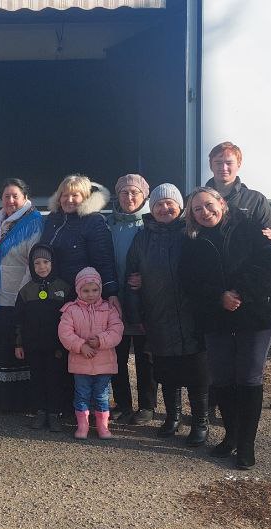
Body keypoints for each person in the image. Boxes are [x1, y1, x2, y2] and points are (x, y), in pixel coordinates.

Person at [179, 187, 271, 469]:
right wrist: (218, 297)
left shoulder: (251, 229)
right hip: (216, 317)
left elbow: (269, 269)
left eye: (209, 205)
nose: (204, 212)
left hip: (255, 316)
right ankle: (231, 436)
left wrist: (240, 294)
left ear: (222, 203)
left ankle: (246, 445)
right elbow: (189, 281)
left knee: (248, 378)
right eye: (197, 209)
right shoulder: (192, 241)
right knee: (222, 378)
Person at [125, 184, 210, 445]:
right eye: (158, 204)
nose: (164, 208)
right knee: (167, 370)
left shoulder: (192, 232)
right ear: (151, 208)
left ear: (180, 206)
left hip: (190, 314)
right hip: (157, 312)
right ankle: (172, 417)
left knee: (196, 372)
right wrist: (136, 307)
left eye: (169, 203)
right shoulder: (141, 238)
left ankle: (200, 421)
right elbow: (131, 275)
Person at [0, 178, 43, 411]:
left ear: (25, 197)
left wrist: (23, 296)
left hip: (16, 295)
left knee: (14, 347)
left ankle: (16, 400)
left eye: (15, 196)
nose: (10, 201)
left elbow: (32, 263)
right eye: (6, 196)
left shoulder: (32, 223)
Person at [107, 174, 158, 424]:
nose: (129, 197)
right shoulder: (108, 223)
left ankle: (147, 405)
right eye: (124, 193)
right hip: (114, 298)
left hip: (143, 299)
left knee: (145, 354)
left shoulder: (151, 223)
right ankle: (123, 403)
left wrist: (146, 280)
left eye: (134, 193)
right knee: (116, 354)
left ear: (144, 196)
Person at [58, 267, 124, 440]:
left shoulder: (109, 309)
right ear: (78, 290)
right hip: (81, 364)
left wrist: (101, 341)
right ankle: (83, 425)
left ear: (100, 289)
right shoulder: (71, 310)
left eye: (95, 290)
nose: (91, 294)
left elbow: (117, 331)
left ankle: (102, 425)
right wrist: (81, 346)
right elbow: (65, 333)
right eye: (85, 290)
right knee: (81, 394)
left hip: (104, 363)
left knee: (102, 395)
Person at [14, 244, 73, 432]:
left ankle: (54, 413)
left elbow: (71, 318)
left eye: (46, 262)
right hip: (33, 346)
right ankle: (40, 412)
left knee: (55, 379)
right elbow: (18, 321)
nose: (42, 267)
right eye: (37, 263)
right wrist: (19, 344)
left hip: (57, 346)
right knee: (37, 378)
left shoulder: (63, 288)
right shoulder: (26, 291)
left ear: (53, 263)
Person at [205, 141, 271, 244]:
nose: (223, 168)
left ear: (238, 165)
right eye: (218, 163)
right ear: (211, 165)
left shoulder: (256, 200)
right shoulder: (195, 201)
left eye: (229, 163)